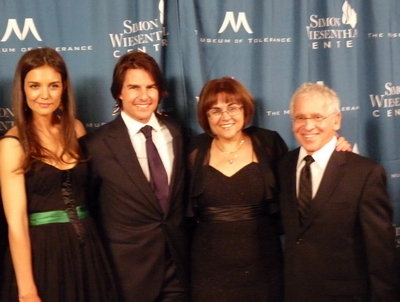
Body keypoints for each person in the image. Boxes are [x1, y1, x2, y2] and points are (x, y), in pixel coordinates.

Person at [0, 48, 118, 302]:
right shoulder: (12, 144)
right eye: (35, 86)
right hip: (44, 256)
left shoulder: (75, 129)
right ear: (22, 89)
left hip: (88, 252)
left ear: (64, 88)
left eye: (53, 85)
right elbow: (17, 224)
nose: (45, 95)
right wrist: (27, 290)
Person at [82, 51, 188, 302]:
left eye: (151, 87)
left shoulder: (177, 132)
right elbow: (89, 207)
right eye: (134, 87)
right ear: (119, 92)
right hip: (127, 275)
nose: (144, 96)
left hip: (178, 270)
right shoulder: (96, 145)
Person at [279, 82, 398, 301]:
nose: (308, 126)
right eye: (300, 117)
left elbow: (381, 251)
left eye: (317, 117)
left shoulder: (364, 173)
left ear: (337, 120)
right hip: (294, 292)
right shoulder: (284, 165)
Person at [187, 77, 288, 301]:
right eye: (215, 110)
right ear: (206, 116)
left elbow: (299, 176)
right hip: (208, 270)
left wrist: (333, 149)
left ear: (245, 109)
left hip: (263, 265)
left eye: (233, 107)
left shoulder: (269, 143)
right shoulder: (193, 151)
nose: (225, 117)